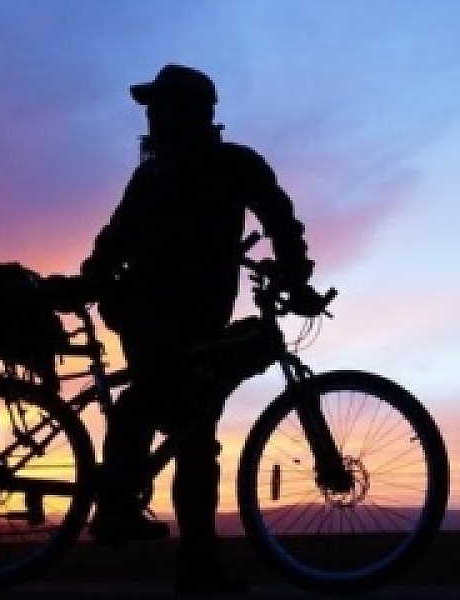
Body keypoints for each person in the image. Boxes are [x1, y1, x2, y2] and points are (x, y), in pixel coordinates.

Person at [81, 64, 316, 594]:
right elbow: (114, 240)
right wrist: (89, 281)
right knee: (167, 408)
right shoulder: (153, 176)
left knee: (194, 434)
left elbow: (280, 220)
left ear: (192, 112)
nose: (152, 117)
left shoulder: (231, 166)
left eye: (162, 106)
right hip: (147, 312)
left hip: (197, 317)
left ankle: (193, 564)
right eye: (152, 108)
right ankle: (123, 512)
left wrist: (296, 275)